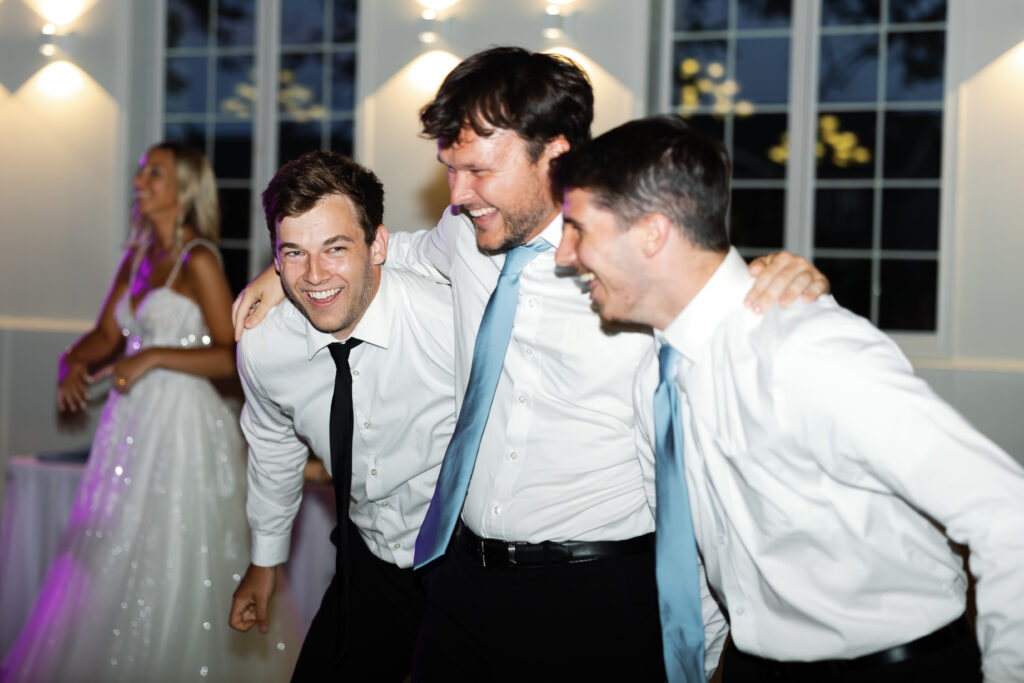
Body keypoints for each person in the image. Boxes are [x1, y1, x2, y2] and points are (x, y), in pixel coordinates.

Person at [232, 47, 828, 680]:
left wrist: (783, 282)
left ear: (557, 154)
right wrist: (286, 266)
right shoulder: (467, 229)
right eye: (450, 169)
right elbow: (390, 250)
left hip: (593, 591)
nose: (456, 194)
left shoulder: (638, 266)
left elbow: (712, 452)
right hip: (463, 581)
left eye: (478, 171)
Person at [552, 114, 1024, 682]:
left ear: (653, 233)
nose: (564, 255)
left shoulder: (805, 351)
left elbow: (1004, 512)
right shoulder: (658, 371)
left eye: (579, 229)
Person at [0, 142, 301, 682]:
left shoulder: (199, 259)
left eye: (154, 174)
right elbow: (107, 335)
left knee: (178, 544)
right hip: (131, 427)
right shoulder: (138, 259)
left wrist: (154, 357)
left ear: (184, 188)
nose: (141, 182)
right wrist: (72, 361)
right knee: (115, 545)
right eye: (141, 174)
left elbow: (235, 356)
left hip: (185, 426)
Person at [228, 150, 455, 681]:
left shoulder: (446, 318)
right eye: (294, 253)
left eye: (335, 248)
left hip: (462, 564)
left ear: (378, 244)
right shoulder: (263, 346)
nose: (315, 276)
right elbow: (273, 448)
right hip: (366, 557)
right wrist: (265, 560)